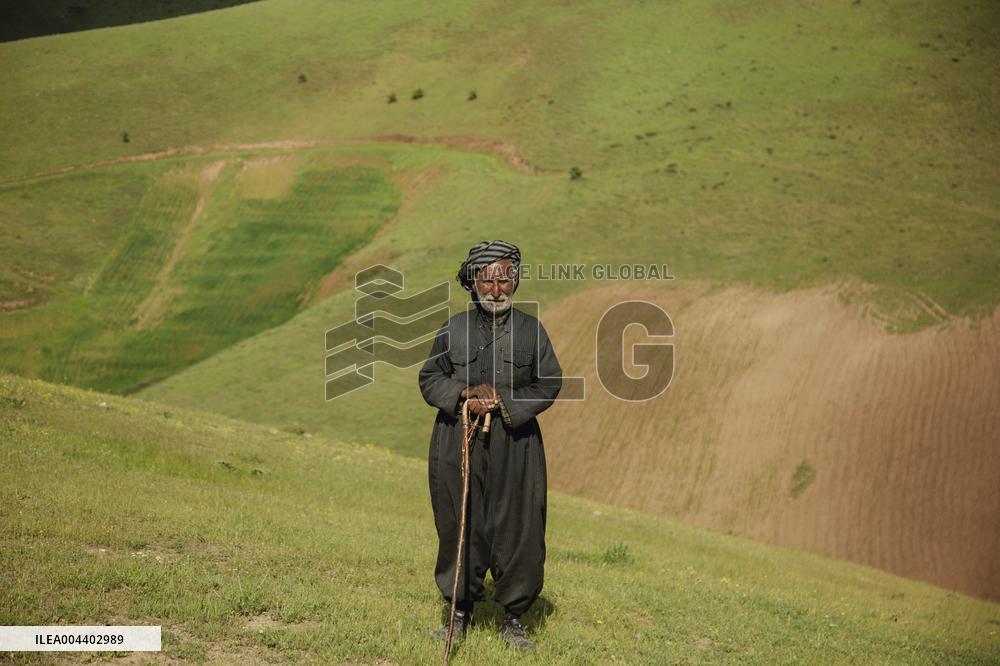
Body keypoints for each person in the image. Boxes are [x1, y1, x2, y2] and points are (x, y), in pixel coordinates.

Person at [418, 240, 563, 651]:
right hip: (458, 440)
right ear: (473, 282)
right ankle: (459, 612)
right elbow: (430, 379)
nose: (497, 288)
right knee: (459, 522)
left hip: (515, 443)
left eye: (505, 278)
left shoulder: (532, 331)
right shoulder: (453, 329)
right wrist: (464, 393)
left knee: (519, 527)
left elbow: (549, 383)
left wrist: (504, 402)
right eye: (489, 278)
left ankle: (513, 617)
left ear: (514, 282)